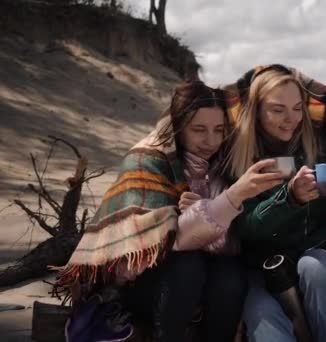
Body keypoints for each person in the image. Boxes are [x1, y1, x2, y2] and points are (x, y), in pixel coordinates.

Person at [55, 81, 284, 342]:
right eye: (199, 130)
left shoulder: (221, 166)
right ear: (178, 126)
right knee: (187, 265)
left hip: (203, 277)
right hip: (139, 281)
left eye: (219, 130)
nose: (211, 141)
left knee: (230, 276)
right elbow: (163, 245)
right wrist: (222, 204)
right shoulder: (146, 159)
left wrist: (204, 212)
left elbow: (230, 245)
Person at [222, 65, 326, 342]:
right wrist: (289, 199)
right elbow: (246, 230)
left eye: (296, 108)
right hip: (262, 267)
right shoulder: (242, 157)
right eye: (278, 110)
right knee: (263, 320)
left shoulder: (318, 147)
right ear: (256, 111)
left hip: (314, 255)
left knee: (316, 269)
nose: (291, 119)